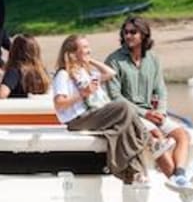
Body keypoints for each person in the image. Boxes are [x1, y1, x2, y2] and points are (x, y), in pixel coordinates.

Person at [105, 16, 193, 191]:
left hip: (153, 113)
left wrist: (160, 112)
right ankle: (177, 181)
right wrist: (145, 114)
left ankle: (180, 175)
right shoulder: (114, 61)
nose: (128, 36)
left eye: (133, 32)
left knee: (182, 135)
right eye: (125, 32)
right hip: (129, 114)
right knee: (158, 137)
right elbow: (115, 97)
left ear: (144, 35)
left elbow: (160, 89)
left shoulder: (153, 59)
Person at [52, 34, 152, 184]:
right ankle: (148, 140)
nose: (89, 50)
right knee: (123, 106)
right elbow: (59, 103)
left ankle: (135, 173)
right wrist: (83, 94)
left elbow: (110, 73)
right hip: (78, 119)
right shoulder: (63, 74)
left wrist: (89, 60)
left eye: (88, 47)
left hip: (94, 113)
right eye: (84, 47)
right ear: (72, 53)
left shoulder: (84, 72)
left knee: (125, 124)